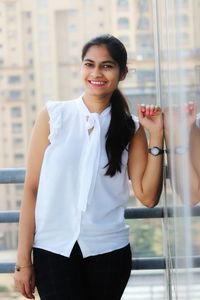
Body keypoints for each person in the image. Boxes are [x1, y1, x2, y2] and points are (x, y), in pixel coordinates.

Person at [14, 34, 164, 300]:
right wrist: (23, 261)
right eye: (89, 64)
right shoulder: (54, 116)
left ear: (122, 72)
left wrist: (156, 137)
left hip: (108, 253)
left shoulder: (131, 128)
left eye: (107, 65)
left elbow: (149, 196)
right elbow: (32, 189)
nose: (96, 72)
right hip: (53, 250)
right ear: (81, 68)